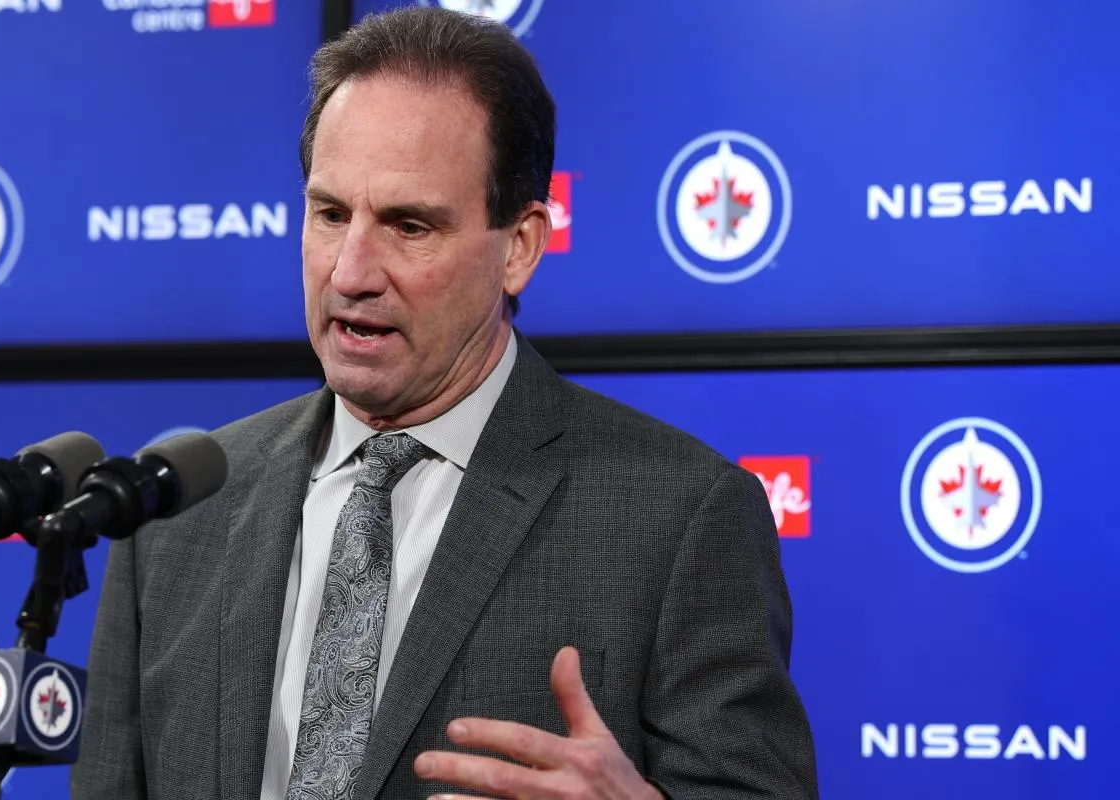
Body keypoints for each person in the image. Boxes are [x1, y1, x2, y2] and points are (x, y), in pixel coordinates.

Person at [70, 7, 818, 799]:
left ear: (520, 247)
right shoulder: (177, 512)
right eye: (330, 214)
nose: (352, 270)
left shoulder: (677, 518)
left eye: (409, 225)